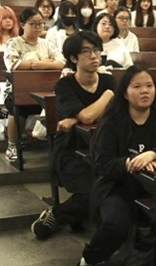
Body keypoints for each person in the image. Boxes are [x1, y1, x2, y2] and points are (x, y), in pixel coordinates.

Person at [70, 66, 156, 266]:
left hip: (152, 187)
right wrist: (130, 162)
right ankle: (87, 263)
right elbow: (102, 164)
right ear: (124, 92)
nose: (145, 91)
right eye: (137, 86)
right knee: (117, 224)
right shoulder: (112, 122)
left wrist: (154, 154)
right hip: (117, 186)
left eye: (149, 86)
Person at [31, 31, 115, 240]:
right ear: (73, 58)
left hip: (103, 147)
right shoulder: (65, 85)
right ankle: (58, 215)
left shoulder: (108, 80)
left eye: (96, 50)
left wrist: (76, 118)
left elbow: (114, 115)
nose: (94, 56)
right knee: (94, 192)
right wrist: (107, 96)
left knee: (114, 186)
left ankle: (71, 214)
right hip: (71, 149)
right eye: (86, 51)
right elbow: (88, 117)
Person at [3, 8, 65, 162]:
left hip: (46, 89)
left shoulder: (47, 44)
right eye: (33, 24)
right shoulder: (14, 43)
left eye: (41, 24)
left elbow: (61, 62)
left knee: (60, 104)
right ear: (23, 25)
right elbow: (13, 64)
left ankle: (57, 147)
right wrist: (41, 63)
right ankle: (12, 145)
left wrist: (40, 64)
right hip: (19, 90)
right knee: (17, 106)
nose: (38, 27)